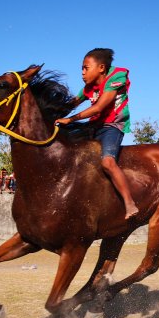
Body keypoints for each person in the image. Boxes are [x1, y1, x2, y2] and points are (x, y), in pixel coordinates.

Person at [55, 48, 138, 219]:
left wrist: (70, 120)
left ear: (101, 68)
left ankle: (129, 203)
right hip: (94, 126)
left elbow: (98, 107)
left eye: (86, 68)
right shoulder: (88, 87)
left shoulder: (116, 77)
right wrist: (53, 114)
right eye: (82, 69)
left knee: (107, 163)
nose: (82, 73)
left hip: (112, 126)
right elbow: (72, 103)